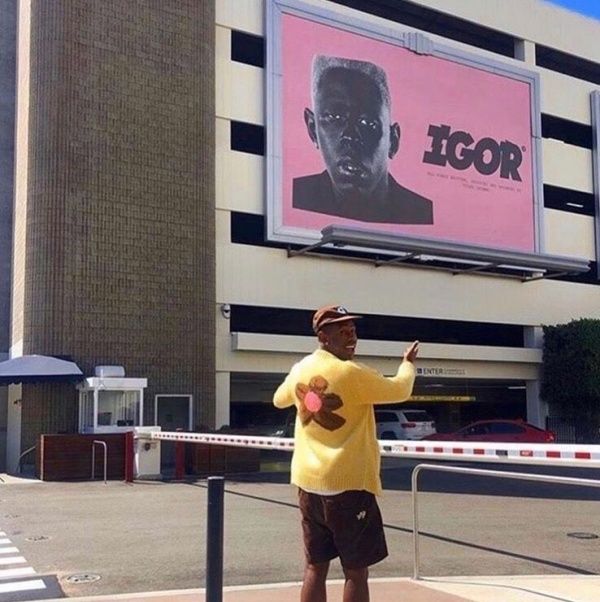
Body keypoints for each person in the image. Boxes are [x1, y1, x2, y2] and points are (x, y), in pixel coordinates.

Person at [273, 304, 419, 602]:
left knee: (315, 566)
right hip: (348, 486)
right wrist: (408, 364)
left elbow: (278, 399)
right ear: (323, 337)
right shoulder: (353, 373)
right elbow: (400, 389)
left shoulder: (302, 369)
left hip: (308, 484)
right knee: (355, 571)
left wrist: (303, 388)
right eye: (342, 332)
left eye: (353, 330)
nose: (351, 337)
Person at [293, 55, 433, 225]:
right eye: (334, 117)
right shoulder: (296, 195)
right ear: (312, 129)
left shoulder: (421, 214)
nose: (350, 136)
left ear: (393, 141)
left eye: (367, 122)